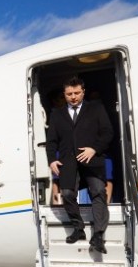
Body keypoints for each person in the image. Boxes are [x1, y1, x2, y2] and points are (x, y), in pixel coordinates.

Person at [45, 76, 114, 254]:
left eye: (76, 93)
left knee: (98, 191)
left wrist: (94, 149)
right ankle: (78, 228)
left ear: (83, 92)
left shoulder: (96, 108)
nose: (73, 97)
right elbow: (51, 141)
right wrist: (51, 159)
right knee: (67, 194)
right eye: (69, 94)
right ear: (64, 94)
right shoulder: (57, 114)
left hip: (92, 159)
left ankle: (98, 235)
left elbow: (108, 132)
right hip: (68, 161)